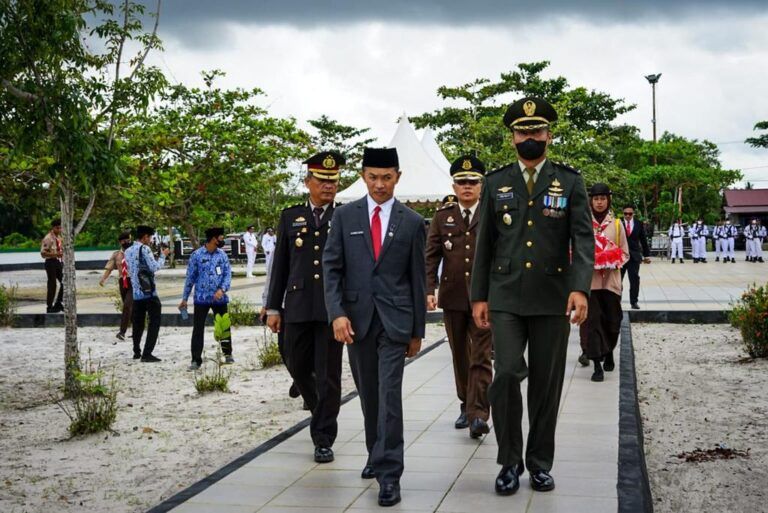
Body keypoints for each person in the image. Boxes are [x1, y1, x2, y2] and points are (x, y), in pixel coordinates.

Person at [470, 97, 593, 496]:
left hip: (552, 295)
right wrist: (479, 296)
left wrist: (579, 288)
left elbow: (582, 238)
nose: (530, 138)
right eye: (523, 133)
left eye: (536, 132)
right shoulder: (495, 182)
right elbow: (485, 243)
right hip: (504, 296)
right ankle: (509, 460)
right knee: (506, 374)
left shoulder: (569, 181)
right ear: (512, 138)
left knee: (546, 382)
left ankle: (539, 462)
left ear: (549, 136)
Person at [324, 147, 426, 507]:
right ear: (364, 176)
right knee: (369, 394)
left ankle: (389, 473)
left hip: (395, 323)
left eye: (386, 177)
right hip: (356, 321)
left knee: (389, 396)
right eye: (373, 177)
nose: (379, 185)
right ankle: (374, 452)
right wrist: (337, 314)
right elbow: (332, 269)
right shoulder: (344, 216)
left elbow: (417, 279)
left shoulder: (412, 221)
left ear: (397, 176)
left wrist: (417, 331)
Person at [266, 151, 345, 465]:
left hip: (331, 307)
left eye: (333, 181)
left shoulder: (345, 216)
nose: (328, 187)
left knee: (328, 375)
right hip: (297, 304)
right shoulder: (291, 216)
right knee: (296, 364)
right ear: (308, 181)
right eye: (322, 180)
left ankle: (323, 437)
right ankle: (319, 409)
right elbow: (280, 266)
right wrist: (273, 307)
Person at [425, 155, 493, 438]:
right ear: (453, 186)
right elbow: (431, 256)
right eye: (462, 182)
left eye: (473, 182)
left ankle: (479, 413)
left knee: (481, 355)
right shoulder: (443, 217)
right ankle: (466, 404)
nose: (467, 187)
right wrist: (429, 289)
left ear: (481, 185)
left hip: (485, 297)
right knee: (460, 356)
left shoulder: (491, 214)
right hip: (452, 295)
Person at [581, 184, 629, 382]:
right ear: (590, 201)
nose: (599, 202)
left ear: (608, 200)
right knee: (591, 323)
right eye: (596, 198)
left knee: (612, 322)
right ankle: (596, 364)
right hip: (590, 284)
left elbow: (625, 253)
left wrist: (611, 260)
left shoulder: (617, 225)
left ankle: (608, 351)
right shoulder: (583, 223)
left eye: (603, 198)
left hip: (611, 282)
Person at [180, 227, 234, 370]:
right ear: (212, 239)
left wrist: (222, 289)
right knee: (198, 328)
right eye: (220, 238)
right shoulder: (196, 256)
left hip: (219, 299)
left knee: (224, 325)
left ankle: (227, 353)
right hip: (201, 298)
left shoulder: (222, 255)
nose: (222, 240)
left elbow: (227, 274)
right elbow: (190, 278)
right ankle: (195, 360)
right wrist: (184, 298)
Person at [124, 225, 169, 362]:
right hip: (149, 293)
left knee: (138, 323)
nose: (150, 240)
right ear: (145, 237)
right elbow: (154, 267)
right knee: (154, 322)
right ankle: (147, 353)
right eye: (150, 237)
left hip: (136, 292)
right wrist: (163, 256)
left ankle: (136, 351)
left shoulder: (128, 250)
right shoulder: (145, 249)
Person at [99, 231, 134, 342]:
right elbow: (109, 268)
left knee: (127, 306)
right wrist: (103, 279)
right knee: (128, 307)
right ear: (120, 242)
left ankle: (122, 332)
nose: (127, 242)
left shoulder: (134, 252)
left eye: (128, 240)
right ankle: (135, 330)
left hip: (133, 281)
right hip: (122, 282)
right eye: (124, 241)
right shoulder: (116, 255)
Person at [620, 205, 651, 310]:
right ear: (622, 213)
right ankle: (616, 301)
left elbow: (643, 240)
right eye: (625, 214)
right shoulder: (617, 223)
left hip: (634, 257)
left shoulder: (638, 223)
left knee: (634, 280)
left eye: (630, 213)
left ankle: (634, 302)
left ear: (633, 213)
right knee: (617, 281)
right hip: (620, 257)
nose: (628, 216)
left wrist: (646, 255)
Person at [40, 219, 64, 313]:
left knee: (64, 281)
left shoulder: (59, 237)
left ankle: (58, 302)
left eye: (60, 228)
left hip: (58, 262)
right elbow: (43, 253)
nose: (59, 229)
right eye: (57, 228)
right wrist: (55, 255)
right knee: (52, 284)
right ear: (53, 227)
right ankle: (49, 306)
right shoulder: (48, 238)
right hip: (50, 262)